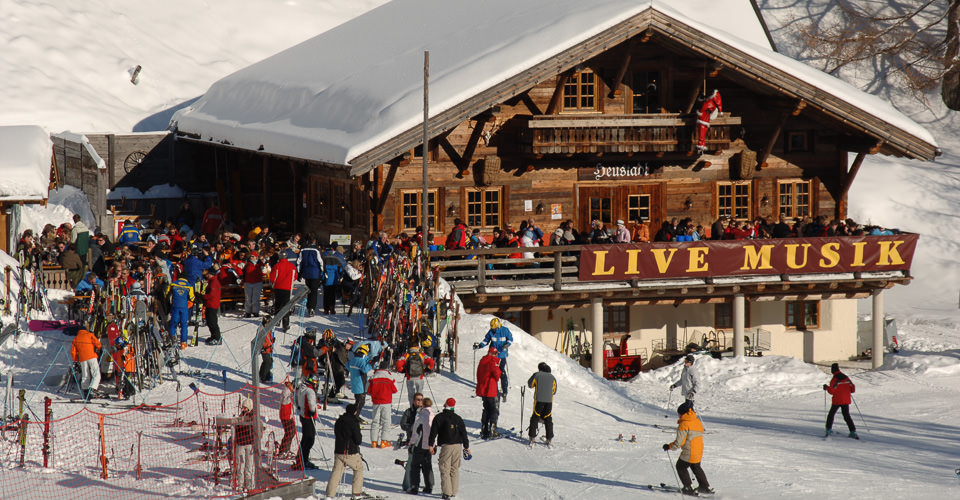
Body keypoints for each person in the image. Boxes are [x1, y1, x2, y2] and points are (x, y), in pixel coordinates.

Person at [663, 402, 713, 496]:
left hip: (690, 451)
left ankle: (688, 487)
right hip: (699, 449)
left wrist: (669, 446)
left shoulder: (684, 424)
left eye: (679, 413)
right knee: (696, 467)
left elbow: (678, 443)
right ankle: (705, 487)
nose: (678, 415)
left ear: (683, 413)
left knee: (681, 466)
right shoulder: (696, 421)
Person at [429, 398, 470, 500]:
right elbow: (464, 433)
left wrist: (430, 444)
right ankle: (453, 491)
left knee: (444, 468)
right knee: (454, 469)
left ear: (444, 405)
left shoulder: (439, 417)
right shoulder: (458, 418)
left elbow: (433, 432)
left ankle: (447, 492)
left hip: (446, 446)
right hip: (458, 446)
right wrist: (466, 446)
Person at [325, 403, 365, 498]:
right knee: (359, 468)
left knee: (336, 472)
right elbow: (358, 440)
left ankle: (329, 495)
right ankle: (356, 493)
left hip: (338, 450)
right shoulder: (353, 422)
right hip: (349, 451)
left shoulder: (339, 421)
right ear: (355, 412)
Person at [476, 317, 513, 402]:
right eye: (492, 328)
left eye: (495, 328)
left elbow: (510, 339)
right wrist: (479, 346)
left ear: (498, 326)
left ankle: (504, 390)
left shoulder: (505, 330)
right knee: (491, 372)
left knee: (500, 371)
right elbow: (486, 341)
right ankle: (493, 389)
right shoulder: (491, 331)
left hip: (501, 355)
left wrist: (507, 345)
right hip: (492, 355)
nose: (494, 330)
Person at [408, 397, 435, 495]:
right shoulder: (433, 416)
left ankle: (414, 486)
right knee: (427, 465)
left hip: (420, 444)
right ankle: (429, 486)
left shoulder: (421, 415)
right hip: (430, 445)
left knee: (415, 465)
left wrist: (411, 443)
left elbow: (415, 431)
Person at [368, 360, 398, 448]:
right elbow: (395, 389)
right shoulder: (390, 377)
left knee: (375, 421)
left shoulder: (373, 377)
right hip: (386, 402)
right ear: (386, 368)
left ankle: (374, 441)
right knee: (386, 422)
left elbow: (368, 389)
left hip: (376, 402)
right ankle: (384, 441)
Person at [823, 363, 858, 439]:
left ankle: (828, 430)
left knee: (831, 414)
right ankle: (853, 431)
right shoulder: (846, 377)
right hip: (846, 400)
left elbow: (832, 391)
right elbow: (853, 389)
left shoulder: (834, 379)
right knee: (846, 416)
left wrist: (826, 388)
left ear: (832, 370)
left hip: (837, 400)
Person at [293, 374, 319, 470]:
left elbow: (296, 397)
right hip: (308, 416)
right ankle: (303, 459)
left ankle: (301, 458)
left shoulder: (302, 388)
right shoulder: (310, 391)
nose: (316, 385)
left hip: (303, 415)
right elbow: (311, 402)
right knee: (309, 439)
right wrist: (312, 410)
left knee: (306, 438)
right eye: (315, 382)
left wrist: (299, 406)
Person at [527, 362, 556, 445]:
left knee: (535, 417)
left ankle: (532, 437)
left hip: (539, 400)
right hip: (549, 401)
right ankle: (549, 438)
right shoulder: (552, 377)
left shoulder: (537, 375)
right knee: (548, 418)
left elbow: (530, 384)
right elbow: (554, 391)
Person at [476, 346, 502, 439]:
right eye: (496, 354)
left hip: (483, 389)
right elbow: (497, 375)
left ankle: (484, 429)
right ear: (493, 353)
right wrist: (498, 368)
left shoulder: (482, 360)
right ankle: (493, 429)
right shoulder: (492, 362)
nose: (497, 355)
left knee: (486, 409)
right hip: (490, 389)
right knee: (493, 409)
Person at [71, 328, 103, 399]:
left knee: (85, 375)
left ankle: (85, 391)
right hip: (92, 356)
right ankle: (93, 389)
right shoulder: (89, 335)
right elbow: (97, 343)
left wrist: (75, 360)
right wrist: (100, 348)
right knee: (96, 373)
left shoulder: (75, 339)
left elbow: (73, 352)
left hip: (82, 359)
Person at [297, 238, 324, 316]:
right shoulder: (317, 250)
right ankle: (312, 308)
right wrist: (322, 271)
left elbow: (299, 262)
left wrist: (300, 273)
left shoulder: (303, 250)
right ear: (314, 241)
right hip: (315, 273)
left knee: (308, 290)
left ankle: (308, 306)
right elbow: (321, 261)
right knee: (314, 291)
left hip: (306, 273)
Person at [166, 276, 195, 349]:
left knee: (173, 323)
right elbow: (192, 298)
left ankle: (172, 340)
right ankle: (183, 342)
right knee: (184, 324)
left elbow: (167, 294)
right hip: (184, 307)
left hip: (175, 306)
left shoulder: (173, 284)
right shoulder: (189, 286)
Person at [270, 254, 297, 330]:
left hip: (278, 287)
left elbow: (272, 278)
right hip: (288, 288)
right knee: (286, 306)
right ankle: (285, 324)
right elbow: (295, 277)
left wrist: (274, 284)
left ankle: (277, 321)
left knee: (278, 304)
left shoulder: (277, 265)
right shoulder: (292, 266)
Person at [236, 398, 256, 491]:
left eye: (245, 408)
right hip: (240, 444)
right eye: (243, 407)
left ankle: (250, 485)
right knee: (241, 465)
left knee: (249, 466)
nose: (243, 409)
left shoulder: (252, 417)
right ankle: (240, 484)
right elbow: (237, 427)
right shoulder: (241, 416)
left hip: (249, 445)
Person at [348, 343, 373, 416]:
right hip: (361, 385)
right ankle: (355, 416)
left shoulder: (353, 359)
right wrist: (370, 364)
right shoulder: (362, 361)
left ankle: (354, 415)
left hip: (354, 383)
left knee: (357, 400)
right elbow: (364, 370)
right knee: (361, 402)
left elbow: (347, 366)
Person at [201, 268, 222, 345]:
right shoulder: (212, 281)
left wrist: (203, 296)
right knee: (209, 321)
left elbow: (212, 295)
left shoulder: (214, 282)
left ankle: (217, 338)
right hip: (210, 303)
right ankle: (213, 335)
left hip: (212, 304)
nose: (206, 275)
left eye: (208, 274)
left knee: (212, 322)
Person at [277, 379, 297, 456]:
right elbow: (285, 400)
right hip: (285, 415)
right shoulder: (286, 390)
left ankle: (285, 449)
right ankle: (283, 450)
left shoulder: (288, 390)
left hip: (288, 415)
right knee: (290, 432)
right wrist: (292, 396)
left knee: (291, 432)